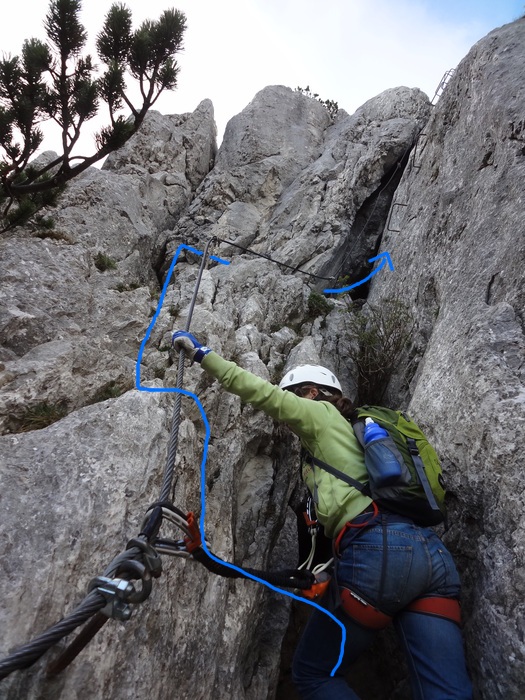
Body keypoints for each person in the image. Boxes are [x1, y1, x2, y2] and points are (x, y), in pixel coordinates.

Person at [172, 330, 473, 700]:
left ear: (311, 393)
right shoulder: (350, 435)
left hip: (379, 553)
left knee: (313, 674)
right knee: (446, 692)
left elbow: (262, 394)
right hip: (431, 558)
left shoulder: (320, 413)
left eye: (294, 395)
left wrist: (204, 355)